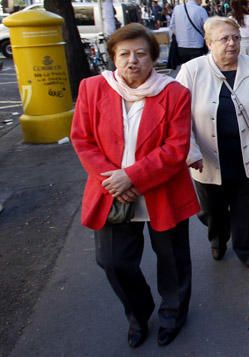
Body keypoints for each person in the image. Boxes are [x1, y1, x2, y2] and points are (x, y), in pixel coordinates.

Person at [71, 24, 199, 348]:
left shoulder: (174, 93)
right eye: (124, 54)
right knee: (113, 261)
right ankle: (138, 313)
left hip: (162, 191)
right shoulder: (92, 89)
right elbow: (82, 139)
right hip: (111, 193)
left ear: (153, 58)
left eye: (141, 54)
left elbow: (175, 149)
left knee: (172, 260)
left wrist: (133, 176)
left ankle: (172, 314)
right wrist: (113, 180)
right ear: (113, 57)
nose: (132, 61)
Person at [176, 17, 249, 274]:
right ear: (208, 43)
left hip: (247, 153)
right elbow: (178, 118)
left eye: (236, 38)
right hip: (206, 158)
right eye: (224, 39)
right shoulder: (192, 71)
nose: (232, 43)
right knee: (212, 211)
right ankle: (217, 237)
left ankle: (248, 250)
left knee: (245, 208)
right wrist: (190, 152)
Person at [170, 0, 209, 65]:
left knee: (186, 69)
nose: (201, 2)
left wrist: (180, 36)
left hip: (181, 46)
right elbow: (207, 27)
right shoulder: (201, 10)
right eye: (201, 0)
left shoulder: (177, 8)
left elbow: (172, 26)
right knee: (198, 68)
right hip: (197, 45)